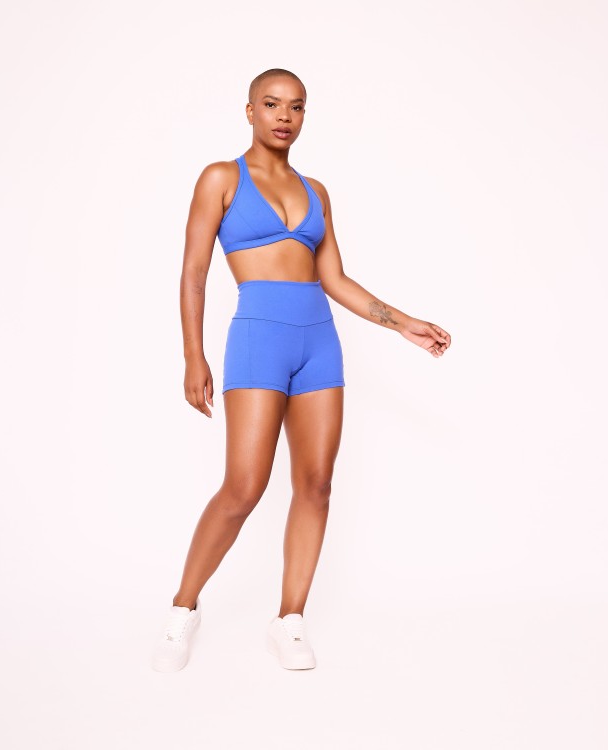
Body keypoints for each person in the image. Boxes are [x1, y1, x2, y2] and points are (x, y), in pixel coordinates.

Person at [152, 68, 451, 673]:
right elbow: (193, 271)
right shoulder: (221, 178)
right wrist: (192, 355)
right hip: (258, 338)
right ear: (250, 111)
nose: (284, 116)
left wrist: (403, 323)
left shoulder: (316, 191)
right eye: (271, 104)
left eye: (296, 106)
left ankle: (289, 619)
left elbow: (333, 278)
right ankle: (183, 609)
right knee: (244, 486)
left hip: (319, 340)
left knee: (316, 484)